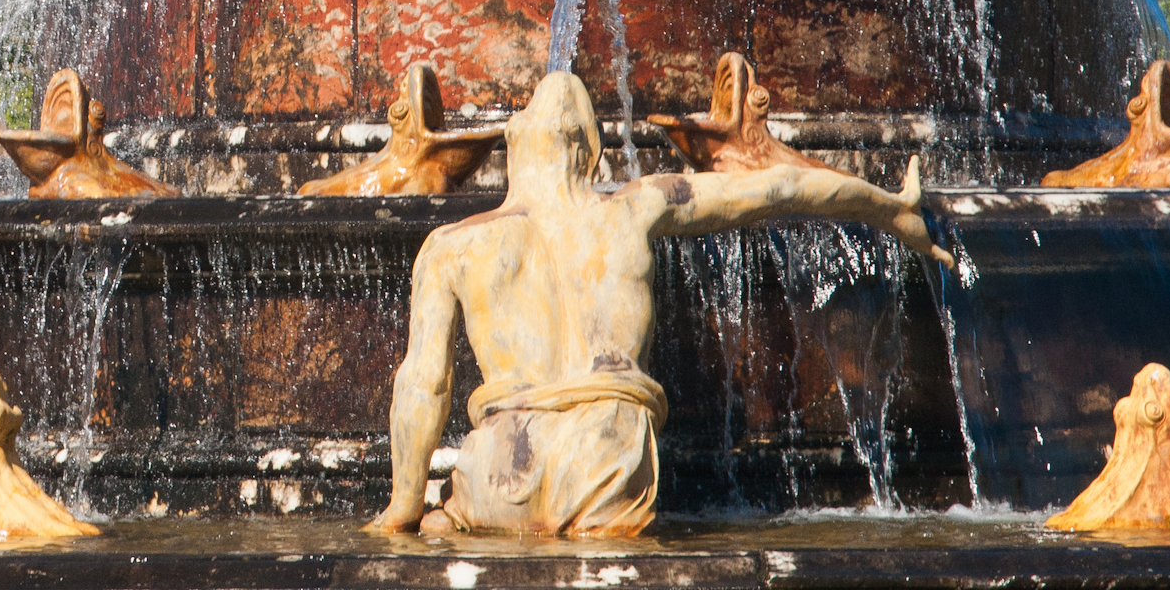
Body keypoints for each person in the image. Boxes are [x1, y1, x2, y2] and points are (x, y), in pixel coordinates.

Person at [371, 70, 951, 538]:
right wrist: (892, 211)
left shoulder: (452, 245)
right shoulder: (637, 206)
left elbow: (422, 386)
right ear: (590, 151)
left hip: (503, 464)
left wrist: (403, 505)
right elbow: (777, 187)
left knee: (442, 521)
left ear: (515, 139)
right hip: (607, 457)